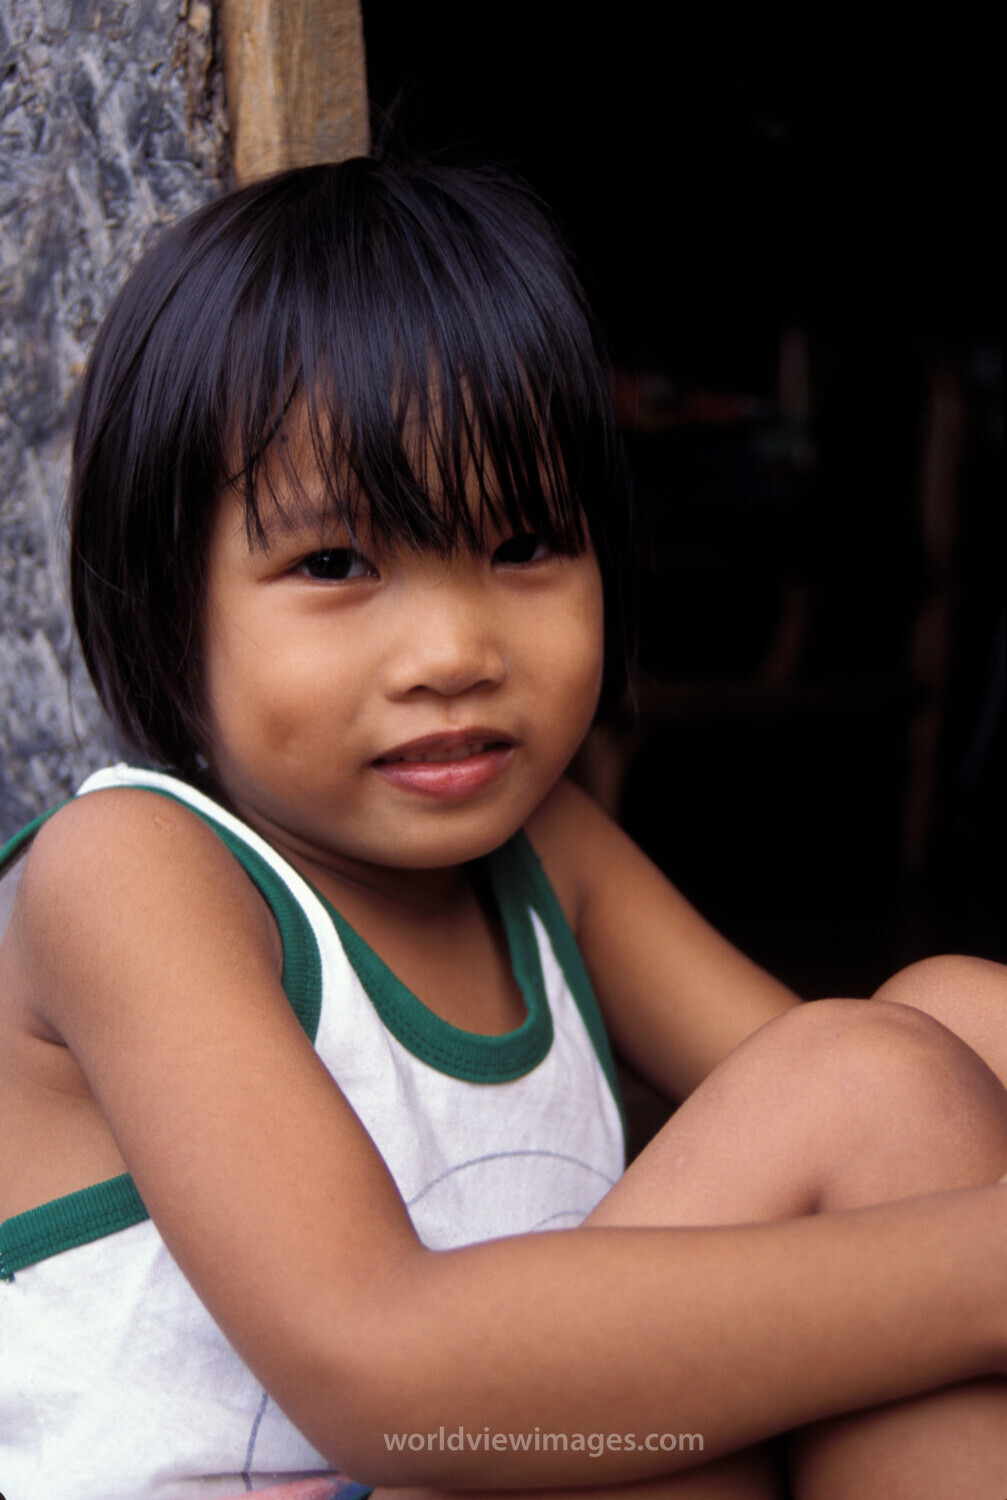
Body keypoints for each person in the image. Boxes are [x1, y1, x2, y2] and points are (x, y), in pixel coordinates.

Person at [0, 154, 1004, 1500]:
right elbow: (382, 1377)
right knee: (873, 1088)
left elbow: (895, 1120)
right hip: (399, 1436)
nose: (456, 650)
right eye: (337, 564)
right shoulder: (133, 874)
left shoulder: (548, 859)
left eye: (527, 543)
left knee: (951, 1022)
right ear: (163, 595)